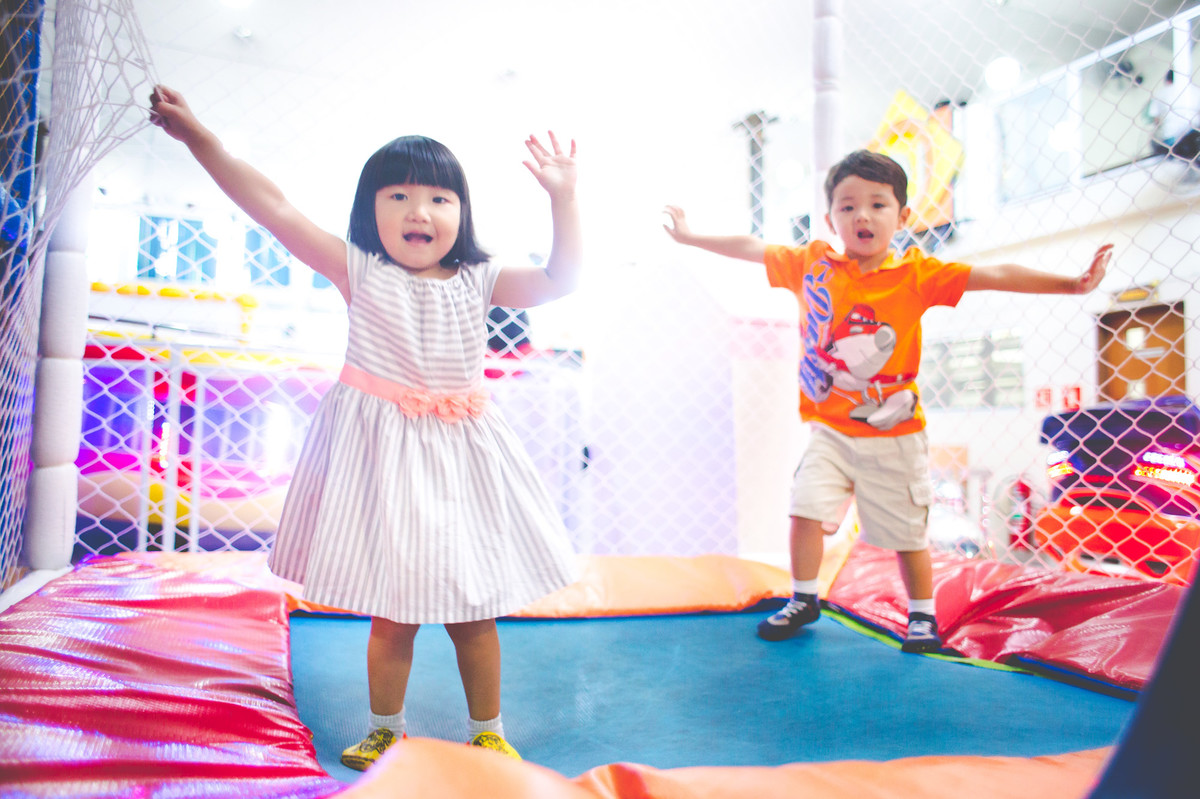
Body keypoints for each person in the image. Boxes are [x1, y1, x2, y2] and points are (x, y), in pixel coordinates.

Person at [149, 85, 582, 767]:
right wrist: (199, 137)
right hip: (384, 457)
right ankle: (385, 723)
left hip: (462, 457)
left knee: (473, 608)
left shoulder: (479, 276)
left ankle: (488, 726)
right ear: (370, 210)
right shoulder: (360, 270)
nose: (420, 210)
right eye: (398, 196)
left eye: (440, 197)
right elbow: (272, 207)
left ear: (461, 212)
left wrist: (562, 196)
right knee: (395, 605)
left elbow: (562, 278)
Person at [663, 149, 1111, 653]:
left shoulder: (916, 275)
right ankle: (804, 597)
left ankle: (921, 615)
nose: (862, 216)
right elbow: (751, 246)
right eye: (848, 205)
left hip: (894, 434)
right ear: (831, 217)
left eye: (878, 204)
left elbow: (995, 274)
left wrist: (1071, 286)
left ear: (901, 217)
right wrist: (690, 236)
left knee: (906, 532)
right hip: (829, 430)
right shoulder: (812, 265)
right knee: (804, 510)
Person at [1146, 69, 1200, 162]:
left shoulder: (1160, 93)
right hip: (1195, 133)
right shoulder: (1194, 89)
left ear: (1168, 81)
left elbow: (1156, 119)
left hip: (1173, 139)